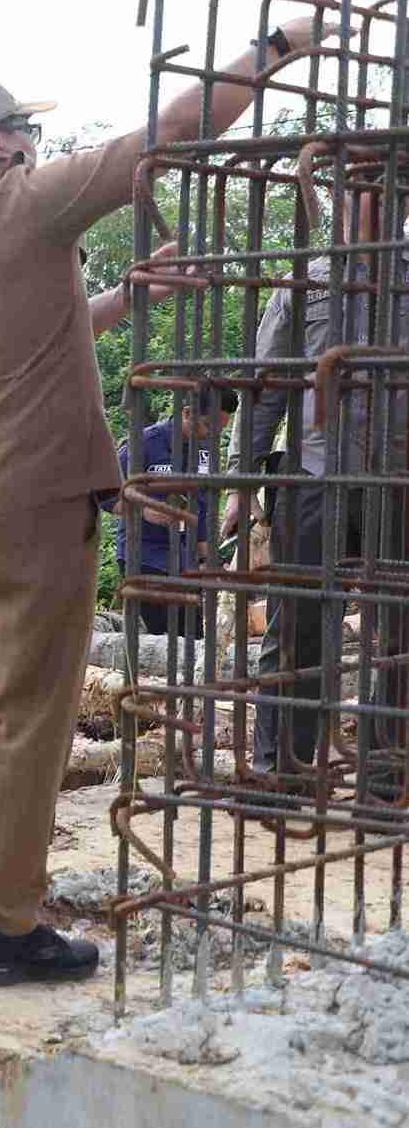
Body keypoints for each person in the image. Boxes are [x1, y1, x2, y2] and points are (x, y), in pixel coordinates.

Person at [0, 12, 337, 987]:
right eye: (22, 133)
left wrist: (131, 294)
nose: (32, 144)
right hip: (31, 502)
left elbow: (40, 321)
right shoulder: (25, 201)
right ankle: (3, 926)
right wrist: (276, 49)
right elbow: (172, 134)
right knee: (32, 711)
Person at [220, 192, 408, 795]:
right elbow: (264, 384)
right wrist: (241, 484)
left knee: (400, 635)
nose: (373, 205)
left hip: (399, 482)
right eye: (358, 191)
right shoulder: (304, 282)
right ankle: (285, 772)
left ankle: (386, 784)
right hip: (311, 477)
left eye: (386, 192)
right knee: (297, 628)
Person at [115, 389, 238, 638]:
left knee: (192, 638)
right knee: (164, 638)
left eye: (220, 429)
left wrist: (207, 560)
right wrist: (144, 511)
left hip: (184, 559)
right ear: (187, 413)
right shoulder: (144, 444)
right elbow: (107, 493)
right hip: (144, 556)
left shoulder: (207, 450)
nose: (213, 434)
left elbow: (201, 509)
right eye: (207, 426)